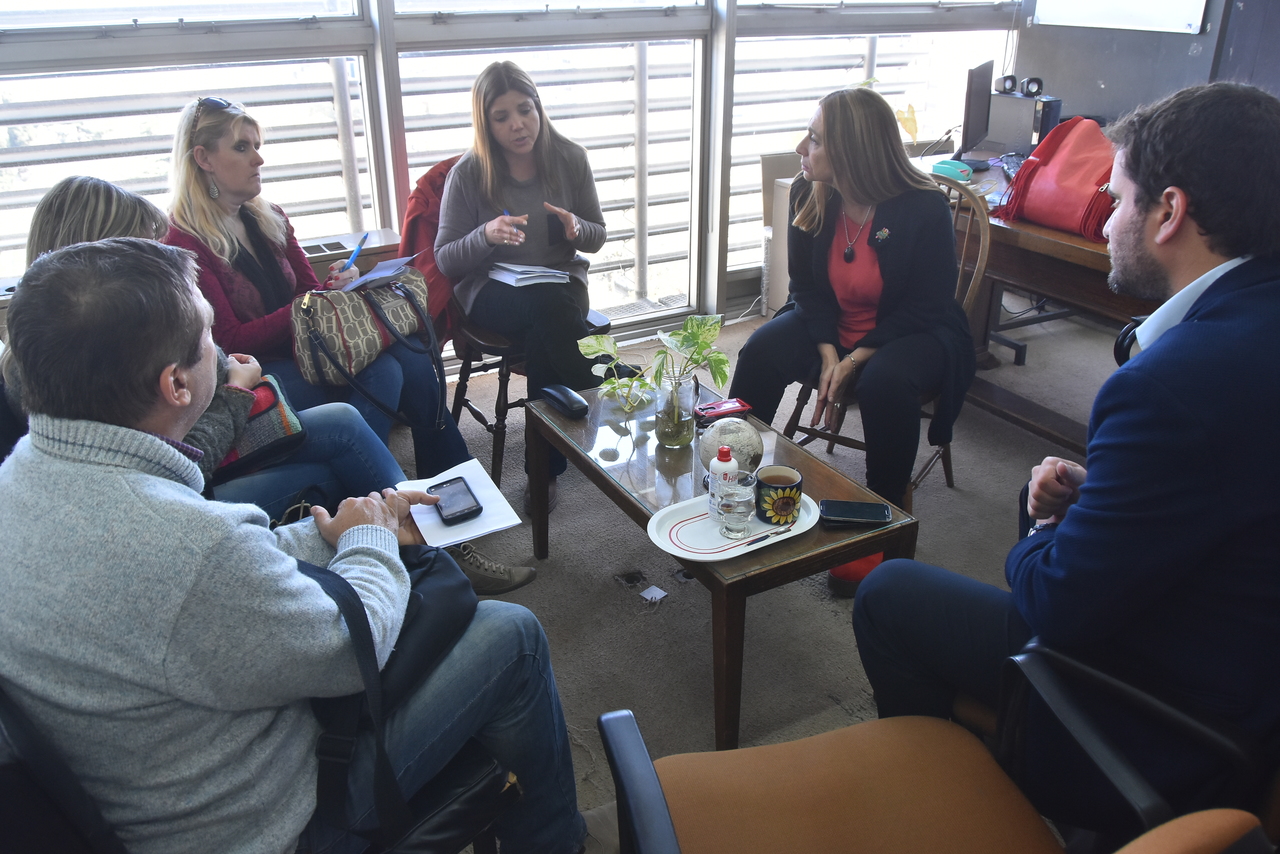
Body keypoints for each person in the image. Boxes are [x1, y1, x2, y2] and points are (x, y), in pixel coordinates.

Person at [0, 237, 616, 854]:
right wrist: (371, 542)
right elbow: (349, 653)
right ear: (177, 384)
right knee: (513, 635)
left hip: (148, 779)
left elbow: (211, 580)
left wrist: (335, 533)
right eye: (209, 335)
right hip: (272, 819)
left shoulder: (21, 480)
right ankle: (559, 841)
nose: (221, 350)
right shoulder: (188, 548)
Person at [852, 82, 1280, 842]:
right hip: (1245, 669)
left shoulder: (1171, 387)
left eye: (1116, 200)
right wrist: (1108, 496)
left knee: (888, 592)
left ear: (1170, 212)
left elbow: (1052, 604)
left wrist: (1041, 520)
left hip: (1159, 726)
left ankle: (951, 812)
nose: (1107, 222)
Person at [162, 96, 470, 480]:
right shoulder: (184, 240)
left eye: (257, 146)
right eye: (242, 148)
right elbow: (227, 341)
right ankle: (372, 487)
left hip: (310, 347)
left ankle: (445, 478)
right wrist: (309, 306)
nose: (258, 159)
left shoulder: (270, 217)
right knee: (383, 373)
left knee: (410, 350)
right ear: (203, 158)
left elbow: (309, 291)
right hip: (255, 370)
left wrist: (334, 286)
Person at [727, 87, 975, 519]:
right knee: (761, 350)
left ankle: (884, 514)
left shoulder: (923, 208)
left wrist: (853, 361)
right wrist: (828, 352)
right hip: (833, 320)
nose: (800, 148)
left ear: (852, 151)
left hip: (911, 330)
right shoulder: (808, 192)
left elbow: (926, 306)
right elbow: (805, 288)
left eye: (814, 139)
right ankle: (731, 472)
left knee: (885, 382)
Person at [435, 61, 608, 508]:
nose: (518, 124)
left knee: (545, 326)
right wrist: (485, 235)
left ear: (538, 107)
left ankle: (544, 468)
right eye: (502, 116)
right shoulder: (469, 173)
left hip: (559, 282)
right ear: (486, 124)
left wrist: (577, 229)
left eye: (525, 110)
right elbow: (445, 258)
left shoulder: (570, 158)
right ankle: (595, 385)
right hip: (491, 291)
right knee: (550, 313)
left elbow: (598, 235)